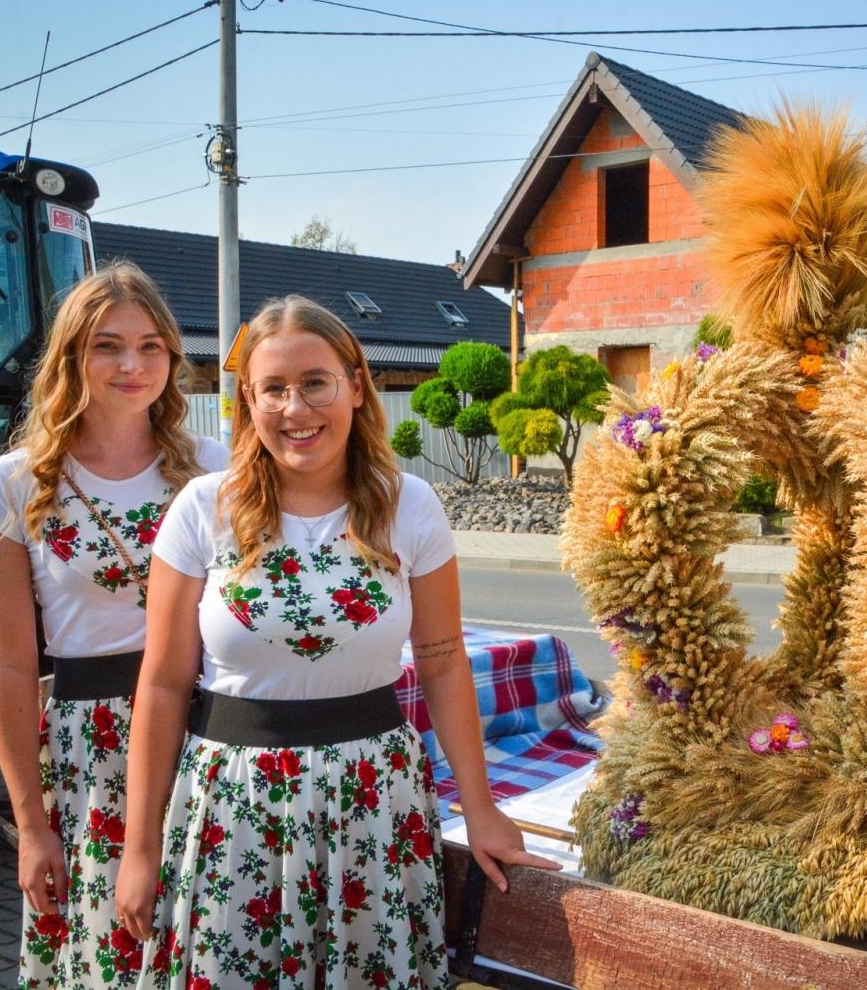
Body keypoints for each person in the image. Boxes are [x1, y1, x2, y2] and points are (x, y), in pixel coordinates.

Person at [115, 294, 558, 987]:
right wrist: (139, 849)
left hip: (373, 802)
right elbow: (164, 684)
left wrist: (482, 811)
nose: (296, 409)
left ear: (356, 385)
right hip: (234, 805)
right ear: (247, 402)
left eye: (315, 382)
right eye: (274, 390)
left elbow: (442, 666)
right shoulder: (203, 510)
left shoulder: (410, 503)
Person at [0, 263, 226, 988]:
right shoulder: (12, 486)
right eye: (108, 346)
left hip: (212, 731)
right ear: (72, 356)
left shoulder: (215, 467)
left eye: (151, 346)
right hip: (94, 748)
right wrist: (31, 826)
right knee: (115, 952)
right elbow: (11, 667)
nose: (132, 364)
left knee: (216, 940)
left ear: (173, 357)